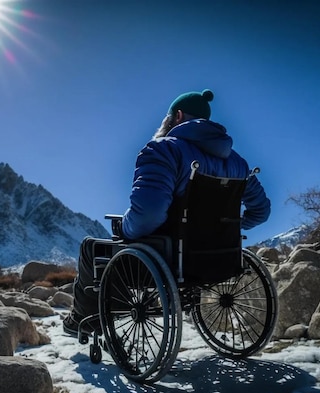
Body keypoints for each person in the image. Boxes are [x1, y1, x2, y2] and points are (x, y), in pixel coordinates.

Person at [63, 88, 271, 336]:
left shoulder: (163, 149)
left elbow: (148, 214)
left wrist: (125, 229)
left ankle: (84, 321)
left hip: (172, 258)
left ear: (178, 116)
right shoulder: (238, 163)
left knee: (91, 247)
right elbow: (261, 210)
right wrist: (228, 227)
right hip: (220, 257)